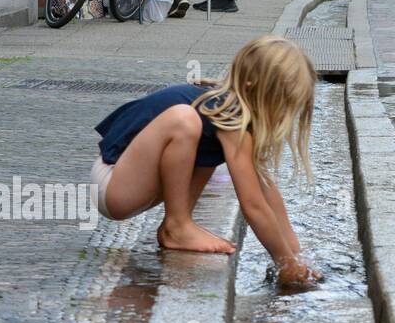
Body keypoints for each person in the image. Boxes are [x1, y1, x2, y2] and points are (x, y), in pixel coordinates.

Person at [90, 36, 322, 284]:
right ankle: (178, 225)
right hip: (113, 183)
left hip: (129, 183)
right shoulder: (228, 115)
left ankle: (175, 226)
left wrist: (295, 257)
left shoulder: (229, 114)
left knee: (207, 141)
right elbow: (253, 204)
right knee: (185, 119)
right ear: (253, 89)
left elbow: (267, 192)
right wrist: (282, 261)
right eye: (282, 105)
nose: (284, 116)